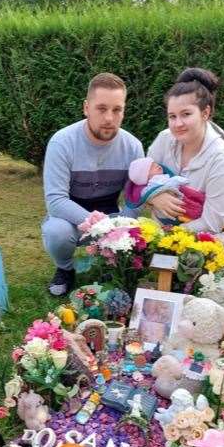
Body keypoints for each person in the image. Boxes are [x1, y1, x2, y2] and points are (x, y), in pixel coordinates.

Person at [42, 72, 144, 296]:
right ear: (86, 108)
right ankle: (65, 269)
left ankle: (113, 266)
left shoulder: (133, 146)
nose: (109, 117)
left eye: (117, 110)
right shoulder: (62, 142)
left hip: (111, 213)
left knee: (137, 226)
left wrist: (122, 226)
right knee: (56, 232)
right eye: (102, 108)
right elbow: (56, 201)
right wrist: (99, 226)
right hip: (70, 216)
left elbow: (134, 198)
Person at [146, 67, 224, 234]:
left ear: (205, 113)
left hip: (206, 245)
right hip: (158, 237)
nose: (178, 123)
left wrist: (168, 236)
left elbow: (213, 223)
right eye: (172, 116)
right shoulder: (164, 139)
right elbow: (141, 179)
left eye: (186, 114)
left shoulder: (223, 159)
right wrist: (153, 195)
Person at [125, 155, 205, 225]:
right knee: (189, 208)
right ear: (145, 176)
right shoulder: (153, 183)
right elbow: (147, 193)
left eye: (155, 163)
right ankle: (198, 212)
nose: (157, 165)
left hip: (180, 194)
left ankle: (201, 204)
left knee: (195, 198)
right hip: (175, 204)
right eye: (151, 166)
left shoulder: (163, 176)